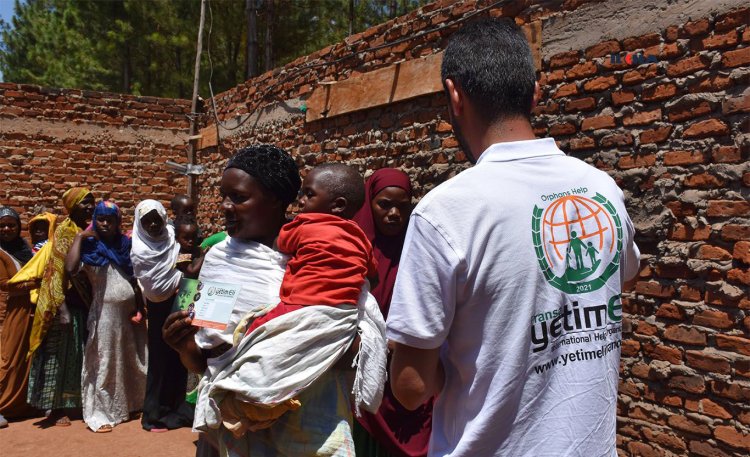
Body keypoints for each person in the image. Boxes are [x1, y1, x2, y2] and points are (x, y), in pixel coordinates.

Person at [386, 18, 640, 457]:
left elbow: (411, 387)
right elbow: (624, 275)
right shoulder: (602, 188)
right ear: (535, 92)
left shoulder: (444, 212)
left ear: (454, 95)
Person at [163, 145, 379, 457]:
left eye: (238, 197)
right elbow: (206, 358)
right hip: (230, 429)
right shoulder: (221, 259)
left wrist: (293, 353)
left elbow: (352, 350)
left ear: (277, 199)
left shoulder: (323, 257)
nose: (224, 206)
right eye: (223, 195)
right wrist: (182, 345)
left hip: (307, 429)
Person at [352, 168, 433, 457]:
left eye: (402, 205)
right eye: (384, 204)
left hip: (410, 368)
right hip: (364, 370)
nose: (394, 213)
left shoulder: (420, 249)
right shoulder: (354, 253)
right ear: (368, 203)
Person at [65, 200, 147, 433]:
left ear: (118, 222)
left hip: (130, 314)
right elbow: (70, 269)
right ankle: (101, 412)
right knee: (105, 362)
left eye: (110, 220)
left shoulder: (125, 246)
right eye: (100, 219)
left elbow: (134, 280)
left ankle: (132, 404)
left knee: (133, 360)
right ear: (94, 221)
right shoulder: (90, 249)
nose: (105, 224)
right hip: (104, 316)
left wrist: (140, 307)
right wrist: (81, 237)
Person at [27, 187, 95, 428]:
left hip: (82, 303)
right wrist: (62, 307)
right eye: (84, 203)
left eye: (91, 202)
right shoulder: (66, 231)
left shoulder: (84, 230)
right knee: (57, 357)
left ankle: (72, 403)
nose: (90, 207)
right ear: (72, 206)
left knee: (75, 356)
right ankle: (55, 410)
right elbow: (57, 272)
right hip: (63, 303)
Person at [131, 199, 193, 432]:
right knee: (159, 358)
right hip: (157, 307)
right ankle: (154, 414)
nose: (154, 224)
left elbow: (186, 263)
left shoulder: (172, 236)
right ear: (140, 223)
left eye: (157, 219)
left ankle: (179, 410)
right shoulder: (140, 249)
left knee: (181, 353)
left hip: (180, 299)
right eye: (147, 221)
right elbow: (151, 285)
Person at [0, 207, 38, 428]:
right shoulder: (2, 253)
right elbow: (5, 284)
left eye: (11, 225)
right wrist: (35, 284)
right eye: (2, 225)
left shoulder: (24, 248)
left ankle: (22, 405)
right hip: (17, 309)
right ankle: (3, 404)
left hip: (34, 308)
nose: (7, 229)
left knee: (30, 357)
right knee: (11, 357)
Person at [174, 214, 204, 279]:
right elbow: (191, 271)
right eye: (186, 238)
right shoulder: (181, 254)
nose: (190, 241)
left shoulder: (196, 249)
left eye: (193, 237)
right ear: (177, 238)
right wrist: (202, 256)